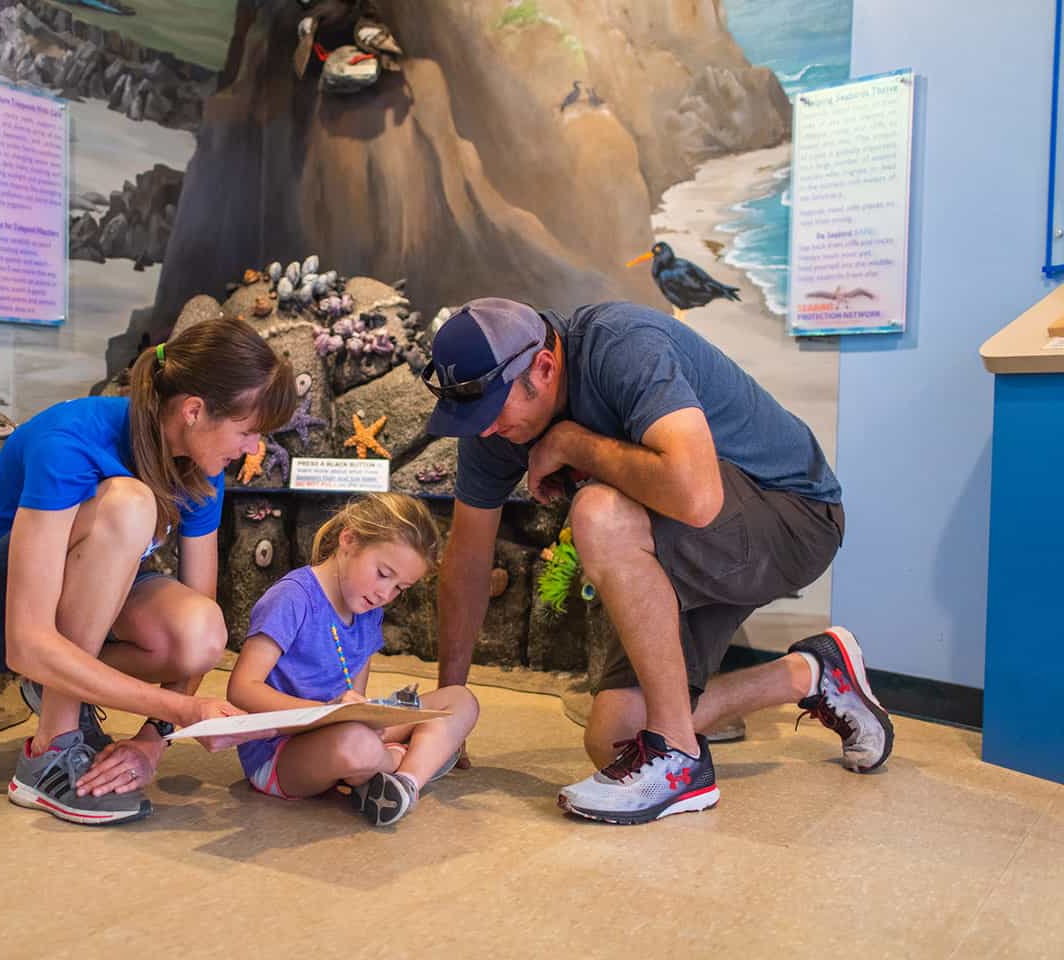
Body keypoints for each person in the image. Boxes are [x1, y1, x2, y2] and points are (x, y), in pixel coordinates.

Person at [422, 297, 893, 825]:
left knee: (599, 513)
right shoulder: (498, 418)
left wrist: (573, 442)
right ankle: (812, 673)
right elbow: (467, 557)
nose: (484, 430)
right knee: (613, 739)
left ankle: (677, 758)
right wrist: (450, 707)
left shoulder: (622, 344)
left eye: (490, 413)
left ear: (545, 368)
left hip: (794, 516)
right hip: (686, 546)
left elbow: (695, 497)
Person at [0, 317, 296, 826]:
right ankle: (48, 750)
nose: (254, 449)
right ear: (193, 411)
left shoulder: (202, 469)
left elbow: (200, 614)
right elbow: (25, 642)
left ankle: (61, 683)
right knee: (129, 502)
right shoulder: (71, 439)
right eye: (249, 431)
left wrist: (152, 740)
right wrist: (187, 713)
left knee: (201, 631)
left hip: (69, 602)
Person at [227, 492, 479, 826]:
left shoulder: (368, 611)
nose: (385, 595)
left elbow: (355, 696)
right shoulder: (292, 598)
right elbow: (242, 689)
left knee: (459, 700)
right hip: (280, 752)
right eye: (383, 573)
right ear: (349, 540)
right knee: (355, 744)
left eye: (400, 588)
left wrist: (365, 717)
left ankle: (404, 784)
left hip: (342, 730)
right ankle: (401, 760)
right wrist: (331, 715)